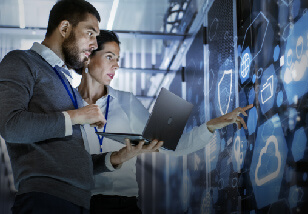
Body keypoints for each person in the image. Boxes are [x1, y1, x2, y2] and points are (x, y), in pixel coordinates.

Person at [0, 1, 161, 213]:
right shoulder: (21, 61)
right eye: (90, 33)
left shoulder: (64, 81)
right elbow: (10, 126)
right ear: (65, 28)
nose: (95, 44)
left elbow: (73, 161)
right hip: (44, 200)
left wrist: (115, 158)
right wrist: (76, 116)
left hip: (79, 202)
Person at [77, 30, 253, 214]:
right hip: (79, 204)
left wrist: (211, 126)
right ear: (88, 57)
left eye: (117, 59)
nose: (116, 65)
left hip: (124, 205)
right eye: (109, 57)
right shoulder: (67, 104)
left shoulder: (125, 101)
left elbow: (175, 146)